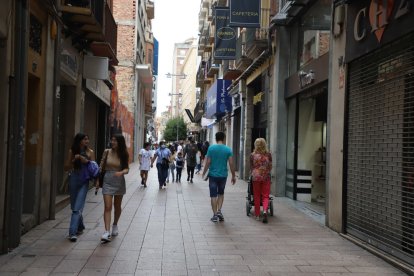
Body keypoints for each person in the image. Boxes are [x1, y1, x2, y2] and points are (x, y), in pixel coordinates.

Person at [97, 134, 129, 242]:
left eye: (115, 140)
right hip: (107, 180)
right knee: (107, 206)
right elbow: (101, 167)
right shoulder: (107, 152)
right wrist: (97, 181)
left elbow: (127, 169)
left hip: (119, 181)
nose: (113, 142)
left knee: (117, 206)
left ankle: (115, 224)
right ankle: (107, 232)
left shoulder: (124, 154)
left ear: (120, 142)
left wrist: (121, 172)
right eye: (112, 140)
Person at [64, 133, 95, 242]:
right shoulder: (72, 151)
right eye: (84, 139)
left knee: (77, 208)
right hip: (73, 178)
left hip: (84, 181)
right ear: (79, 140)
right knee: (74, 206)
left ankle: (72, 232)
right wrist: (73, 161)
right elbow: (65, 167)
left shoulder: (90, 152)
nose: (87, 141)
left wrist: (85, 160)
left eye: (88, 139)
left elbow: (93, 167)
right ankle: (80, 226)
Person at [202, 132, 236, 223]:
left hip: (213, 175)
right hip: (223, 176)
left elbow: (208, 162)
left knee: (213, 195)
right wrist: (233, 175)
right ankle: (219, 211)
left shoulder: (211, 148)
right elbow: (231, 163)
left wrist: (204, 172)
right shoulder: (228, 149)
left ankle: (214, 215)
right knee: (221, 193)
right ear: (224, 138)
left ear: (216, 138)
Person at [250, 138, 272, 223]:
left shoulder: (252, 155)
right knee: (266, 196)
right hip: (266, 176)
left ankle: (257, 215)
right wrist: (266, 171)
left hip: (256, 177)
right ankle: (265, 211)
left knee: (257, 195)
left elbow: (251, 167)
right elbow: (270, 166)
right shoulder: (268, 154)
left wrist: (254, 173)